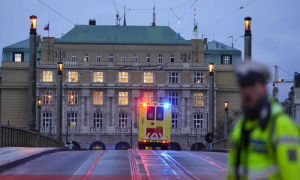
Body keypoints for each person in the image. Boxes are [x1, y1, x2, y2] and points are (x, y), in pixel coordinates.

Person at [226, 61, 300, 180]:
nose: (247, 91)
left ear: (264, 88)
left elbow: (293, 175)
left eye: (252, 85)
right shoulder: (239, 126)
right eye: (243, 86)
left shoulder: (281, 125)